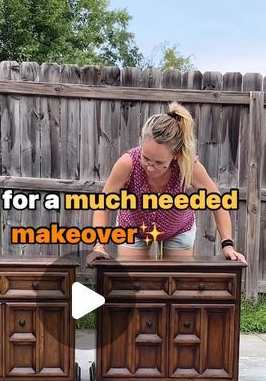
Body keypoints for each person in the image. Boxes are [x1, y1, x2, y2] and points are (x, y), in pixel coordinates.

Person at [86, 101, 247, 267]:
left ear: (175, 155)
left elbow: (217, 203)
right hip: (133, 227)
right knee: (133, 286)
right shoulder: (127, 163)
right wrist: (99, 246)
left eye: (158, 162)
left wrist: (227, 245)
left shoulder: (188, 166)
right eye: (146, 158)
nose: (149, 167)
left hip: (178, 228)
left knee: (175, 286)